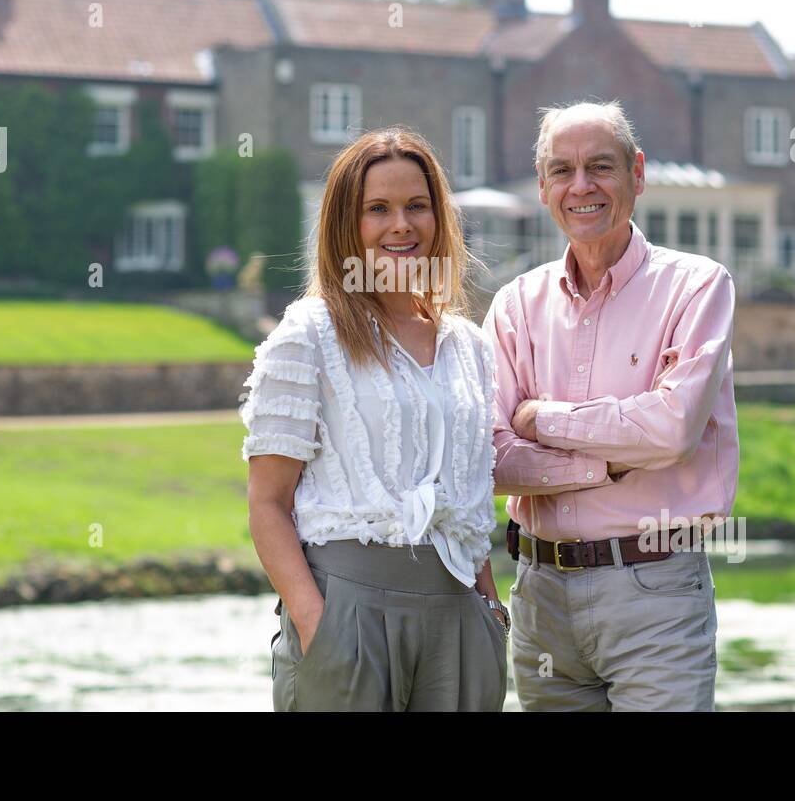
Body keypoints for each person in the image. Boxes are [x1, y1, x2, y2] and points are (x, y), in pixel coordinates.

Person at [483, 100, 739, 711]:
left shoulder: (698, 287)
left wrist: (540, 420)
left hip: (655, 593)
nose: (582, 186)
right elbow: (489, 456)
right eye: (563, 171)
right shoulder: (516, 304)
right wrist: (606, 464)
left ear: (637, 174)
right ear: (544, 187)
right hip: (540, 596)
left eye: (601, 167)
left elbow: (673, 430)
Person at [243, 127, 508, 712]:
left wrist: (492, 616)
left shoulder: (469, 344)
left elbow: (469, 498)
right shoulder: (308, 334)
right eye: (377, 209)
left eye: (418, 206)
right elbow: (267, 503)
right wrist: (319, 628)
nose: (401, 226)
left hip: (460, 618)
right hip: (349, 616)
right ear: (346, 224)